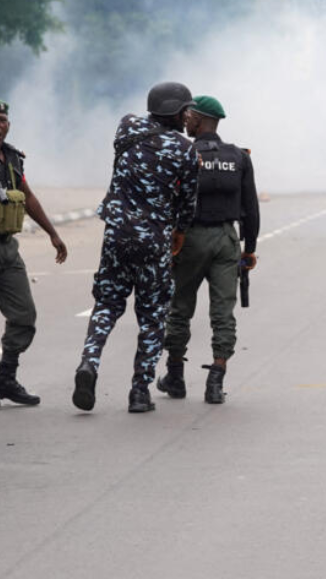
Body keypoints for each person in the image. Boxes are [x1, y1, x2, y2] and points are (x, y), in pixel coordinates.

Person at [72, 82, 198, 413]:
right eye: (185, 110)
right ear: (174, 111)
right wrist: (179, 233)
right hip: (154, 239)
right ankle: (140, 391)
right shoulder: (185, 150)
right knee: (153, 315)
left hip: (116, 234)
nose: (189, 116)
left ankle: (89, 362)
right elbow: (187, 203)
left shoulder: (127, 125)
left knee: (107, 304)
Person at [0, 99, 68, 411]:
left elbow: (26, 195)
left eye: (1, 120)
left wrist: (53, 232)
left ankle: (5, 378)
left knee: (24, 316)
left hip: (7, 246)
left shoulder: (12, 156)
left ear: (8, 124)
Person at [158, 96, 259, 404]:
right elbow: (251, 209)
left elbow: (167, 202)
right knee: (223, 312)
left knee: (179, 308)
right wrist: (249, 249)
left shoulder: (184, 154)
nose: (184, 120)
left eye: (188, 115)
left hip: (188, 239)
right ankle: (216, 380)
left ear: (200, 120)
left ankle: (175, 375)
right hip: (227, 240)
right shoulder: (239, 156)